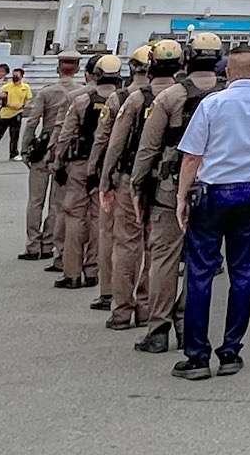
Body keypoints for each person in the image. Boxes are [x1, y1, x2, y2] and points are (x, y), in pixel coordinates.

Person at [169, 46, 250, 380]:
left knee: (201, 272)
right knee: (242, 273)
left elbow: (192, 156)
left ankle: (196, 354)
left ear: (228, 72)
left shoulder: (212, 104)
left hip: (211, 192)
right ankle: (230, 350)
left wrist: (182, 197)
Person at [130, 36, 215, 355]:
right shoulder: (224, 97)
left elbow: (148, 147)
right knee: (201, 259)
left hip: (170, 185)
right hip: (214, 187)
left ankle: (159, 328)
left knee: (164, 258)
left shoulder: (170, 96)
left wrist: (136, 185)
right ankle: (186, 320)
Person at [48, 54, 123, 295]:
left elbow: (66, 135)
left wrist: (57, 162)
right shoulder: (123, 101)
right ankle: (93, 270)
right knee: (98, 219)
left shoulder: (81, 101)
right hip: (107, 167)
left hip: (79, 165)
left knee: (73, 216)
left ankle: (71, 272)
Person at [98, 46, 158, 332]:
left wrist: (103, 178)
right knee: (154, 246)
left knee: (126, 243)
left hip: (130, 177)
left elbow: (113, 143)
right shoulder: (180, 97)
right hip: (164, 181)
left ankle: (122, 309)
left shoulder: (126, 98)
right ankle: (147, 307)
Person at [22, 53, 83, 266]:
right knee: (57, 203)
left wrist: (25, 148)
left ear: (58, 68)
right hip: (65, 150)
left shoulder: (47, 92)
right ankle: (48, 244)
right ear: (77, 69)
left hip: (42, 147)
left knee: (35, 200)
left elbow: (32, 122)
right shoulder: (81, 93)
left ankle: (32, 244)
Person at [0, 66, 29, 161]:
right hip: (5, 114)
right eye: (14, 74)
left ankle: (13, 153)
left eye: (17, 74)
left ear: (22, 76)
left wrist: (23, 107)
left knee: (14, 135)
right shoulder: (7, 86)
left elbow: (28, 99)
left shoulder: (25, 87)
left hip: (17, 113)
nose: (15, 76)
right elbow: (1, 99)